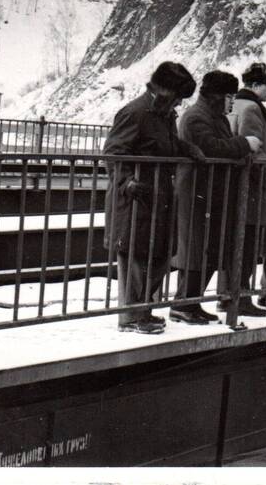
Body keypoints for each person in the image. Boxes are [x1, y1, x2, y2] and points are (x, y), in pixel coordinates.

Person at [102, 62, 203, 334]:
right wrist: (127, 182)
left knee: (157, 257)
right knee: (136, 257)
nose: (179, 103)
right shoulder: (135, 112)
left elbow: (164, 144)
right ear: (164, 90)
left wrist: (186, 148)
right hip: (134, 199)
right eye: (178, 97)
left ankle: (142, 311)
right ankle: (131, 317)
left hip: (157, 198)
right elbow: (112, 152)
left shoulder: (164, 115)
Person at [171, 71, 262, 324]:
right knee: (195, 250)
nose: (232, 101)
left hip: (211, 193)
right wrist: (244, 144)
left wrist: (239, 149)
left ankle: (192, 302)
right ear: (216, 96)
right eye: (229, 96)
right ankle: (183, 304)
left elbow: (223, 146)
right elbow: (212, 148)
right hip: (198, 194)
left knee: (208, 250)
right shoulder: (196, 118)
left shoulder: (213, 116)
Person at [230, 62, 266, 317]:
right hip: (252, 191)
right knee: (247, 245)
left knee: (240, 243)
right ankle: (239, 297)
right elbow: (254, 149)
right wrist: (265, 183)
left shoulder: (236, 104)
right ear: (257, 85)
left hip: (240, 188)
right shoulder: (251, 108)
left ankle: (232, 296)